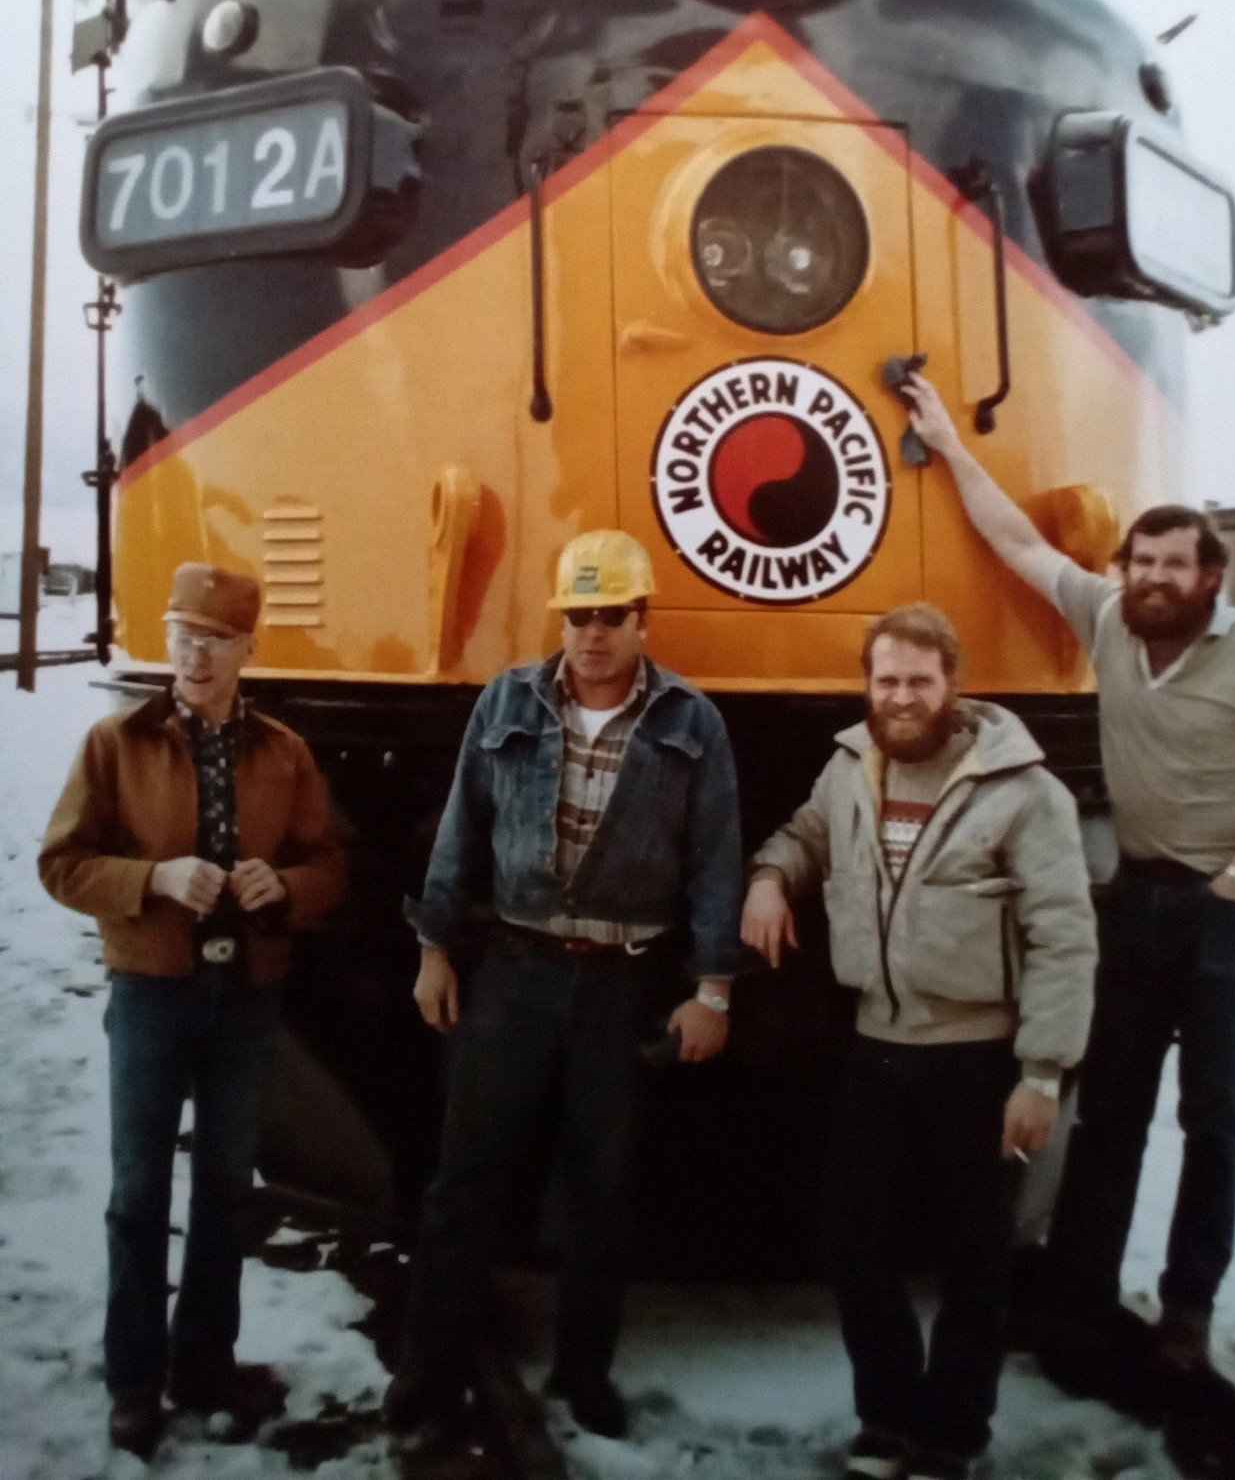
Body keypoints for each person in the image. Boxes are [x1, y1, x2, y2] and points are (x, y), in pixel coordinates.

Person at [901, 374, 1235, 1384]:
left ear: (1210, 575)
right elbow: (1016, 542)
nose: (1149, 577)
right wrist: (951, 446)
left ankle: (1186, 1307)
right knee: (1109, 1112)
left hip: (1222, 914)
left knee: (1210, 1116)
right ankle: (1075, 1304)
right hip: (1134, 902)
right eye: (1138, 560)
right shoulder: (1104, 620)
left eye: (1171, 563)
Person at [386, 530, 742, 1442]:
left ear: (642, 619)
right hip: (514, 971)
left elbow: (714, 866)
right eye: (578, 614)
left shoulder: (693, 723)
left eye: (610, 614)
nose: (591, 633)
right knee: (464, 1176)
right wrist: (433, 949)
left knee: (602, 1189)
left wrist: (713, 992)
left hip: (625, 984)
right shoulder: (506, 701)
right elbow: (459, 831)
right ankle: (430, 1366)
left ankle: (587, 1374)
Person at [742, 604, 1097, 1480]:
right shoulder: (848, 768)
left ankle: (954, 1435)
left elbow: (1065, 935)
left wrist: (1042, 1073)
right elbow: (805, 836)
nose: (901, 698)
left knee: (975, 1258)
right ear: (868, 684)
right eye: (887, 679)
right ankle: (891, 1418)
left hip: (980, 1059)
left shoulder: (1024, 791)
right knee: (853, 1241)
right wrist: (768, 878)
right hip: (879, 1049)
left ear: (953, 686)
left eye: (919, 681)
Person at [38, 563, 346, 1457]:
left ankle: (205, 1362)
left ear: (249, 646)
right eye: (180, 633)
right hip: (150, 996)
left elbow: (331, 869)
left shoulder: (284, 753)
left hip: (244, 999)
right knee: (138, 1192)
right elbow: (61, 864)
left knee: (222, 1189)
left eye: (212, 638)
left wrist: (283, 884)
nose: (192, 654)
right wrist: (152, 878)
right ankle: (135, 1380)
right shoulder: (116, 742)